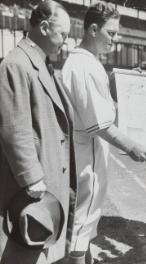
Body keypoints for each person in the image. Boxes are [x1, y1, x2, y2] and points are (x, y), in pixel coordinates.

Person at [61, 2, 146, 263]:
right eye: (110, 33)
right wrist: (131, 146)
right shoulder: (85, 65)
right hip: (85, 158)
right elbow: (100, 124)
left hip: (84, 153)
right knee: (80, 227)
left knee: (85, 228)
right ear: (92, 29)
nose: (115, 38)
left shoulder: (83, 62)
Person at [0, 1, 76, 263]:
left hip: (46, 179)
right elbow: (13, 128)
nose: (65, 41)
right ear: (44, 27)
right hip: (30, 188)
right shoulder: (16, 64)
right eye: (63, 34)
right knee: (23, 254)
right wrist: (31, 177)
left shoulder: (41, 63)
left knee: (40, 252)